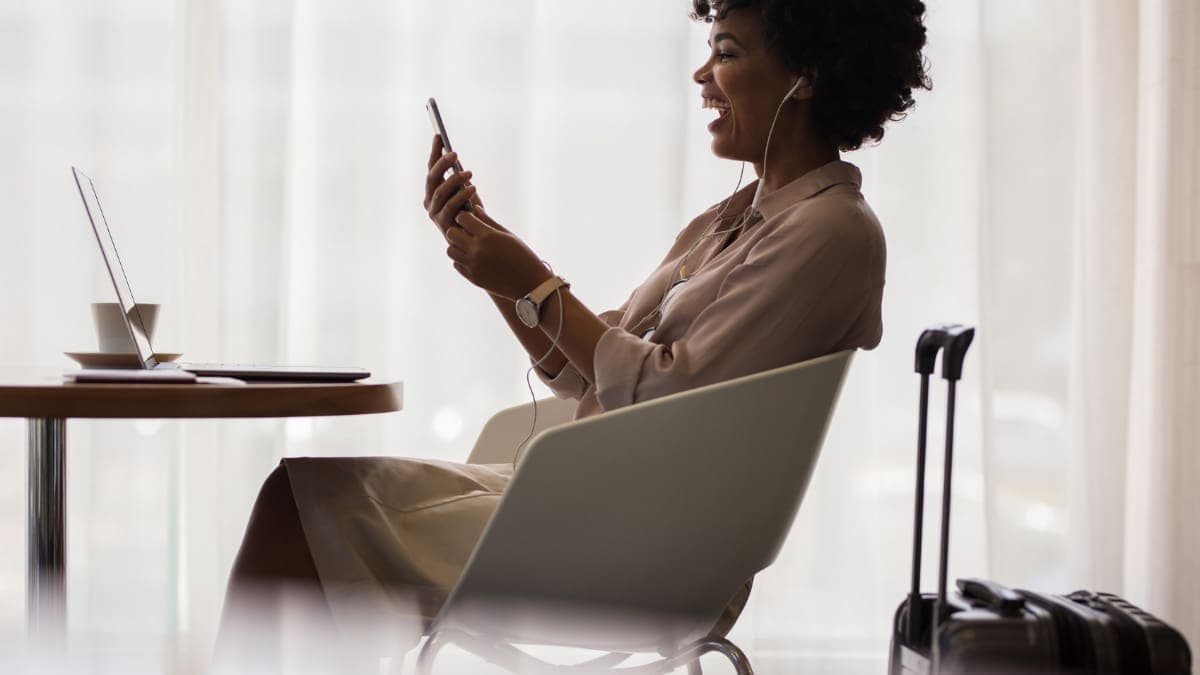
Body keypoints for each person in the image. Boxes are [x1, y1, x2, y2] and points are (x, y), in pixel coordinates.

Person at [216, 0, 931, 666]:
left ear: (805, 75)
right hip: (593, 496)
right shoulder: (733, 218)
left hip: (650, 538)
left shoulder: (830, 231)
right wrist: (496, 266)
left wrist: (529, 278)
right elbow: (590, 368)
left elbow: (662, 394)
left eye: (727, 52)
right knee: (306, 498)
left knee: (306, 507)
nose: (702, 74)